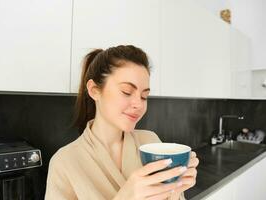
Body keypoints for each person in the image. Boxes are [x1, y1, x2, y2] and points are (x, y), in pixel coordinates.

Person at [45, 45, 199, 200]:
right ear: (94, 90)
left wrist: (177, 188)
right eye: (126, 92)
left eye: (144, 96)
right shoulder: (65, 162)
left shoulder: (150, 141)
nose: (138, 104)